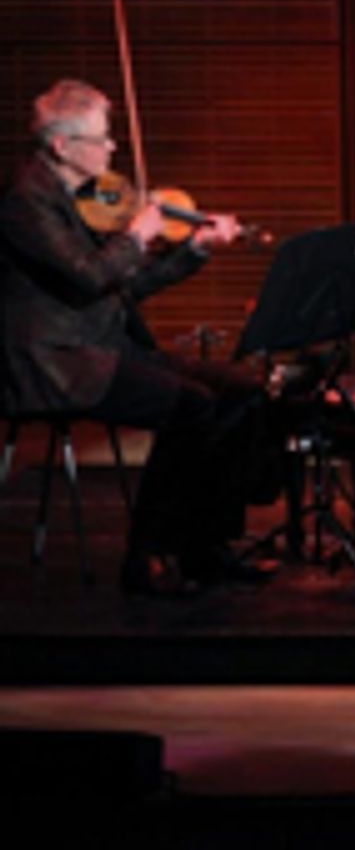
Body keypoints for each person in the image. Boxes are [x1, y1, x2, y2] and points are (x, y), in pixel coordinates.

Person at [0, 78, 279, 595]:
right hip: (58, 361)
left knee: (243, 392)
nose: (112, 148)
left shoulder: (79, 196)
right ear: (62, 146)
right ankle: (146, 554)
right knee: (191, 406)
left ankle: (206, 546)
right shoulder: (27, 204)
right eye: (102, 139)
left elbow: (128, 286)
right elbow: (90, 275)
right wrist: (135, 236)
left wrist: (194, 249)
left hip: (106, 345)